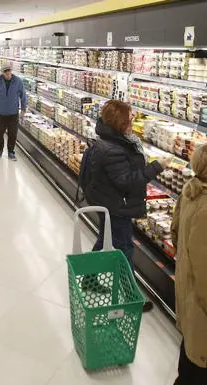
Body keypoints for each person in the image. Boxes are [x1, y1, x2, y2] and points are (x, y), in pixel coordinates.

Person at [84, 100, 172, 312]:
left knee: (105, 238)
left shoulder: (112, 139)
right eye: (129, 118)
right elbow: (127, 181)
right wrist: (156, 167)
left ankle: (89, 278)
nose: (133, 120)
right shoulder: (113, 148)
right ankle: (132, 297)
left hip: (107, 200)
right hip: (116, 205)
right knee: (125, 248)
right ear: (119, 122)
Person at [171, 144, 207, 384]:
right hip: (201, 305)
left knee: (189, 356)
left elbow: (175, 234)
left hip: (187, 292)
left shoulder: (190, 192)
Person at [0, 65, 26, 161]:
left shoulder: (18, 81)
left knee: (13, 134)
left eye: (9, 71)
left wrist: (23, 109)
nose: (8, 73)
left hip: (13, 113)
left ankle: (11, 152)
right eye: (5, 71)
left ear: (11, 71)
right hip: (0, 112)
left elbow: (23, 95)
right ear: (2, 72)